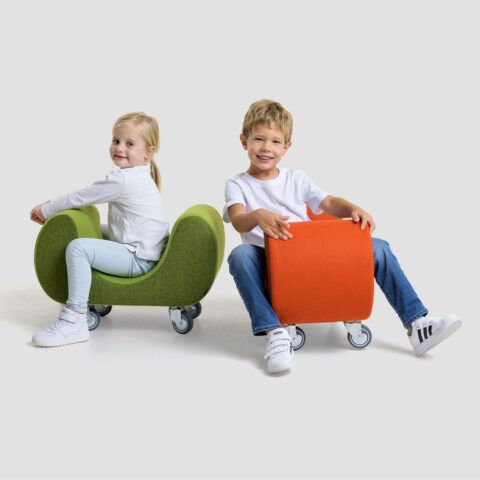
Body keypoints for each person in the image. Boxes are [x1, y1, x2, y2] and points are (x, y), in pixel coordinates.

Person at [224, 99, 461, 374]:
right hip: (266, 259)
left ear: (287, 147)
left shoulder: (296, 179)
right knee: (239, 256)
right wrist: (257, 216)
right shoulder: (237, 184)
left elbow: (328, 203)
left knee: (379, 247)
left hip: (304, 255)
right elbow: (239, 220)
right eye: (259, 139)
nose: (266, 148)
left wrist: (352, 209)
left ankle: (418, 324)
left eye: (275, 142)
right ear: (243, 141)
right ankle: (274, 332)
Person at [30, 112, 169, 347]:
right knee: (94, 233)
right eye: (116, 140)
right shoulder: (136, 174)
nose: (119, 148)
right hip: (141, 249)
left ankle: (74, 320)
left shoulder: (123, 180)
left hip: (138, 258)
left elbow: (82, 196)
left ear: (148, 152)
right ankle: (87, 302)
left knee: (78, 249)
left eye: (129, 143)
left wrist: (46, 209)